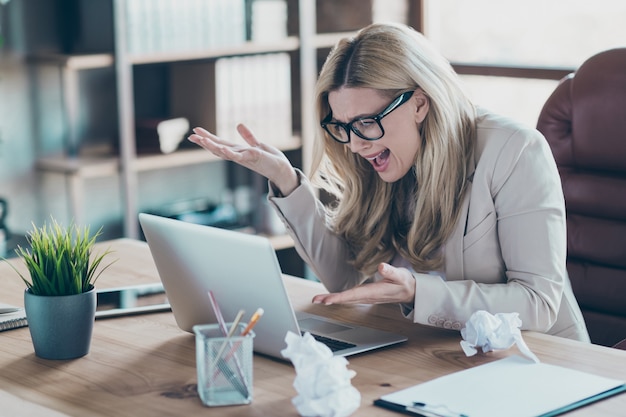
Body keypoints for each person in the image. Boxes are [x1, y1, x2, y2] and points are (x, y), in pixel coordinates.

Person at [188, 22, 589, 342]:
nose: (356, 144)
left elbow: (538, 304)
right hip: (435, 353)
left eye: (367, 122)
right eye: (342, 126)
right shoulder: (380, 158)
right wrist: (284, 180)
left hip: (540, 362)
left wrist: (419, 293)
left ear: (419, 102)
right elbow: (346, 279)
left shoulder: (515, 150)